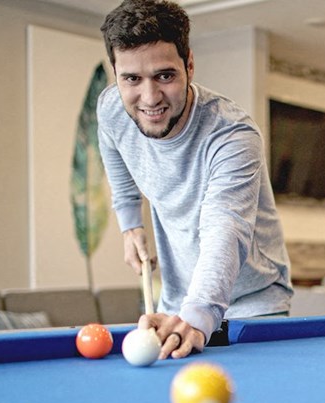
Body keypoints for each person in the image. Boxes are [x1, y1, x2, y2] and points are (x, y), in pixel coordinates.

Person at [97, 0, 292, 360]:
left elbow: (225, 227)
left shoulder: (232, 134)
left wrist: (200, 313)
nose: (150, 97)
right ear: (116, 74)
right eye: (132, 79)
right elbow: (114, 151)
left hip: (251, 305)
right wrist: (130, 225)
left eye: (165, 76)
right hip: (177, 305)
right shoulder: (112, 108)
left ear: (189, 64)